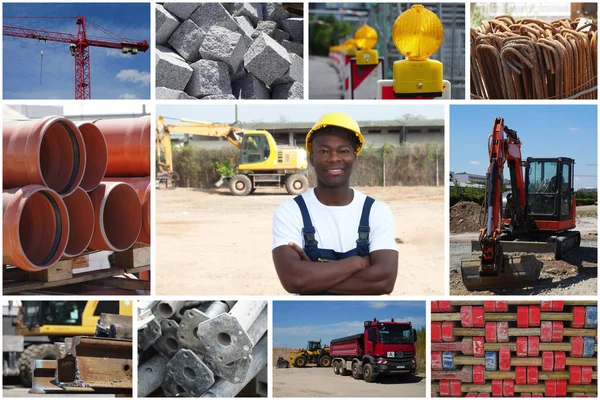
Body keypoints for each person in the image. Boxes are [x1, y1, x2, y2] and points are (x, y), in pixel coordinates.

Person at [271, 112, 399, 295]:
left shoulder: (376, 211)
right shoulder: (290, 211)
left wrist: (312, 273)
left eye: (344, 151)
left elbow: (384, 281)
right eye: (323, 151)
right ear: (311, 159)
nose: (334, 158)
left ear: (355, 158)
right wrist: (358, 262)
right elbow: (294, 280)